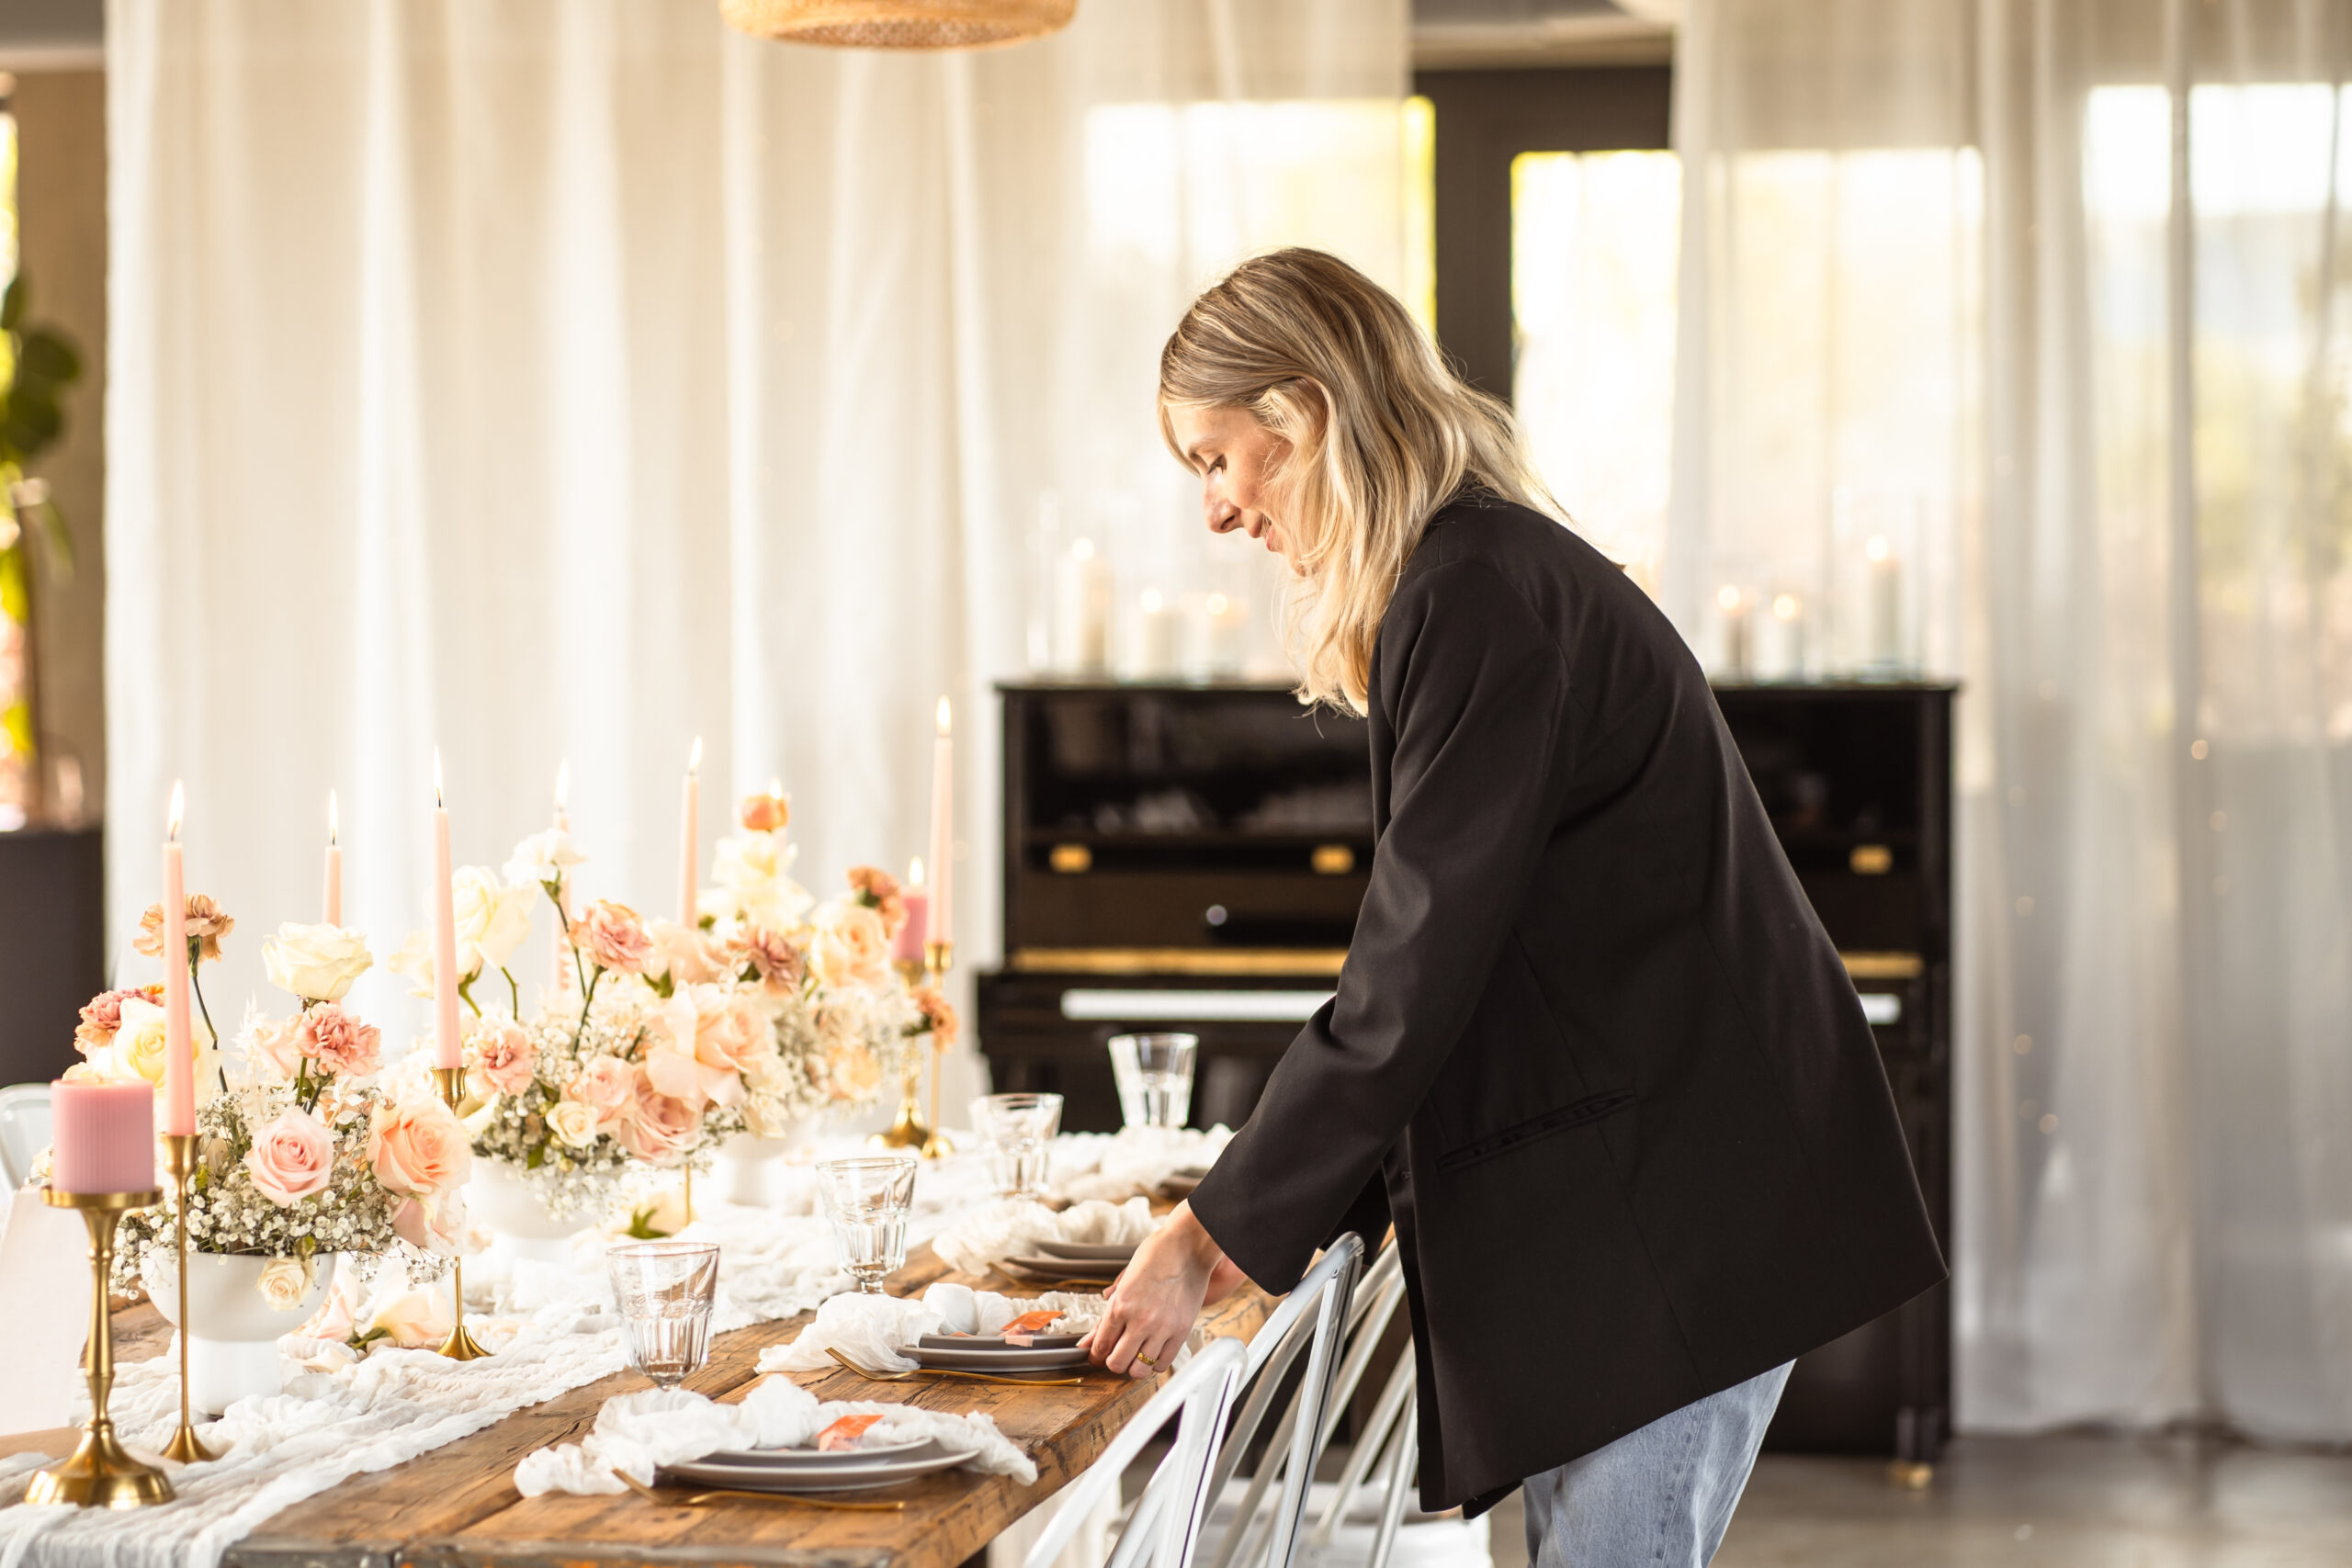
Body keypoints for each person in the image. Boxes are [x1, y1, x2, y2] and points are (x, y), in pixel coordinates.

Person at [1076, 248, 1945, 1568]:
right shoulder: (1467, 576)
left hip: (1686, 1204)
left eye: (1214, 459)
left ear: (1301, 415)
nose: (1216, 511)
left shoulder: (1475, 591)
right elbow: (1457, 962)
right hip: (1665, 1192)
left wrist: (1206, 1235)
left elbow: (1416, 968)